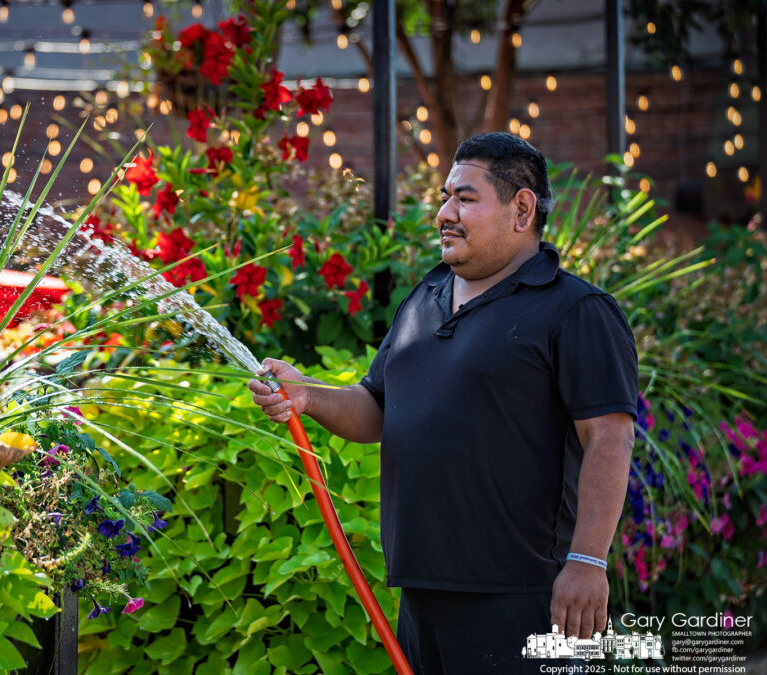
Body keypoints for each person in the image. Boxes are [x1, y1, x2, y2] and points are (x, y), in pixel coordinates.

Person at [249, 132, 637, 673]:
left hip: (523, 594)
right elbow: (376, 407)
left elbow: (610, 437)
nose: (444, 213)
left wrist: (588, 561)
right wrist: (308, 396)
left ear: (522, 209)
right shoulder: (424, 298)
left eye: (466, 198)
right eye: (445, 196)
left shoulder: (575, 310)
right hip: (422, 590)